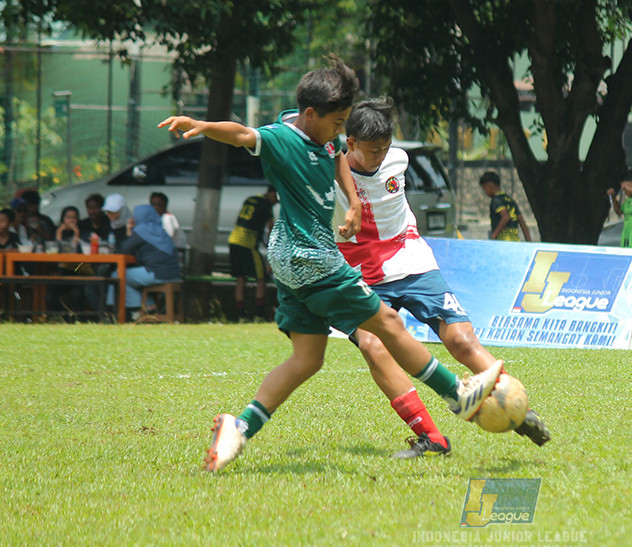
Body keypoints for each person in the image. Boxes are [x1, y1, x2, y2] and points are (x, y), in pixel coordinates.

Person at [158, 56, 503, 473]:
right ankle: (457, 396)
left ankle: (239, 428)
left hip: (287, 261)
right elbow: (243, 134)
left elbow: (338, 151)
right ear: (310, 114)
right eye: (338, 123)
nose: (343, 133)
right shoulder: (283, 139)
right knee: (388, 326)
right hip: (312, 258)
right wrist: (204, 126)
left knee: (307, 359)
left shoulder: (326, 132)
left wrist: (355, 201)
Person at [336, 97, 551, 457]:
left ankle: (517, 406)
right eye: (372, 150)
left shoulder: (399, 160)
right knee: (374, 347)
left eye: (385, 148)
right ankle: (430, 436)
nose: (380, 156)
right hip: (361, 272)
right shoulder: (329, 169)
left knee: (462, 340)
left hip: (411, 259)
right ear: (350, 143)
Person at [105, 204, 182, 321]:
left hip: (157, 273)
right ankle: (149, 305)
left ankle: (118, 311)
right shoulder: (160, 229)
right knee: (129, 278)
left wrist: (129, 233)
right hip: (173, 273)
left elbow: (125, 250)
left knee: (118, 275)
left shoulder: (143, 229)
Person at [228, 186, 278, 321]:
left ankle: (241, 316)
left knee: (240, 278)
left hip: (234, 239)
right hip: (247, 243)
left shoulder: (251, 199)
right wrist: (271, 249)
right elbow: (271, 228)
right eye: (276, 197)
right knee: (261, 278)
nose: (276, 201)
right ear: (271, 193)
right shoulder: (266, 205)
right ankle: (259, 315)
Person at [479, 171, 532, 241]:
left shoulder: (496, 201)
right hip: (515, 241)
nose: (485, 192)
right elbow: (522, 222)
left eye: (484, 189)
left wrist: (494, 235)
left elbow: (506, 217)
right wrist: (529, 242)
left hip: (503, 241)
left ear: (490, 185)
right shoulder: (511, 201)